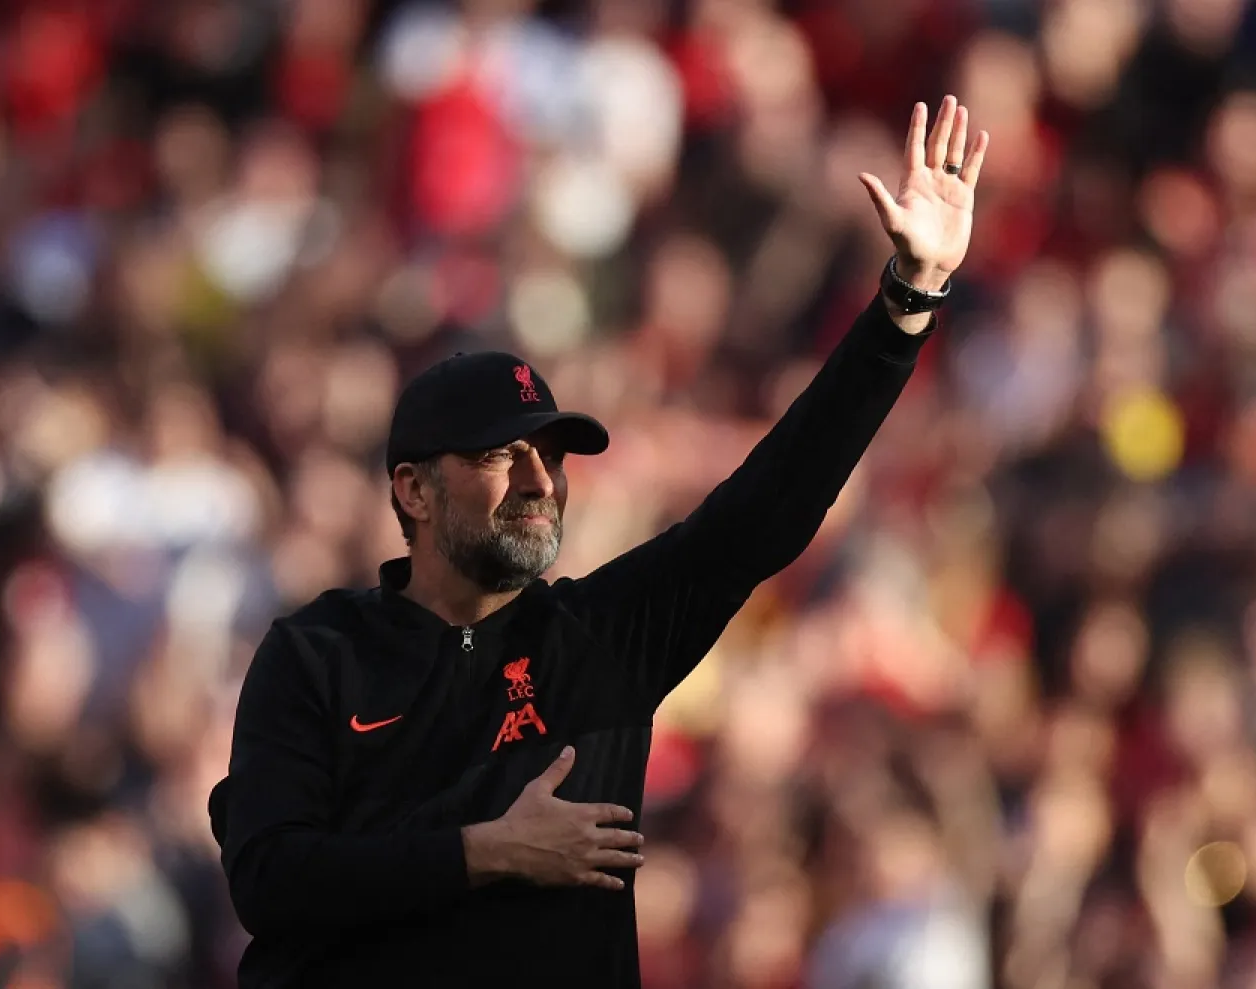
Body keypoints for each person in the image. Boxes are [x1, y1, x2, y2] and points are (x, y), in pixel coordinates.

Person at [208, 97, 990, 987]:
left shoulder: (601, 641)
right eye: (502, 457)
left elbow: (772, 501)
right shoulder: (315, 654)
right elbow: (269, 880)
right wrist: (484, 851)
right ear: (413, 489)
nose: (541, 481)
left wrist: (906, 301)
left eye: (551, 456)